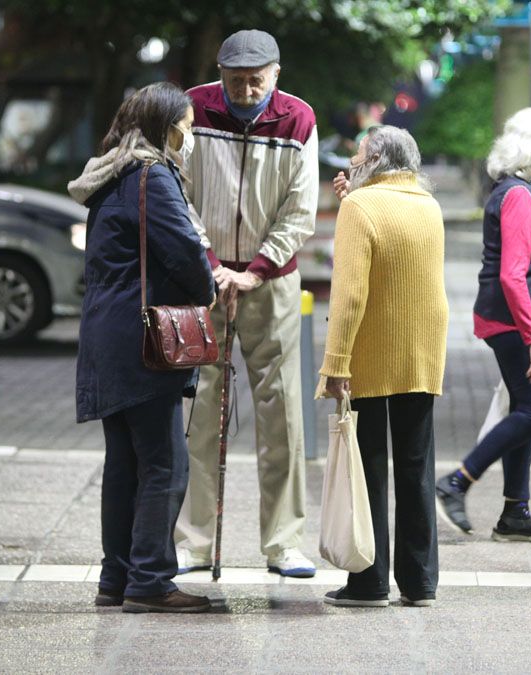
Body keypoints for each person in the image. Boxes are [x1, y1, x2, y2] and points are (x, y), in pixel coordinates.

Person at [174, 29, 321, 579]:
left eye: (256, 79)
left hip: (271, 282)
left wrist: (256, 269)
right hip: (203, 280)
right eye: (235, 79)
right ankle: (192, 542)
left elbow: (301, 209)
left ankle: (284, 543)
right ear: (221, 74)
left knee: (282, 415)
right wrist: (212, 264)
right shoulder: (193, 109)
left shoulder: (298, 119)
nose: (246, 88)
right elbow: (178, 193)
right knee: (198, 412)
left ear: (276, 74)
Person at [67, 82, 216, 613]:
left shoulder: (111, 174)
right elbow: (185, 252)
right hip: (144, 338)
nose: (189, 137)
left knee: (125, 463)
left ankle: (117, 578)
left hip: (108, 333)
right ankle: (150, 580)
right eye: (187, 127)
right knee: (165, 464)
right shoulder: (152, 176)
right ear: (166, 127)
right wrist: (208, 289)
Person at [319, 126, 449, 607]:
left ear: (375, 160)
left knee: (368, 466)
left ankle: (369, 582)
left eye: (358, 155)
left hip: (372, 352)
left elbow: (350, 295)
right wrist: (354, 198)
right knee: (416, 466)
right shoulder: (427, 204)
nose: (351, 163)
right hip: (422, 350)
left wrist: (335, 362)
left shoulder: (359, 207)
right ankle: (420, 582)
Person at [435, 107, 531, 543]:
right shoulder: (519, 197)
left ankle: (515, 513)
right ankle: (457, 482)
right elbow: (513, 276)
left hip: (520, 319)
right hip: (515, 322)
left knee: (525, 409)